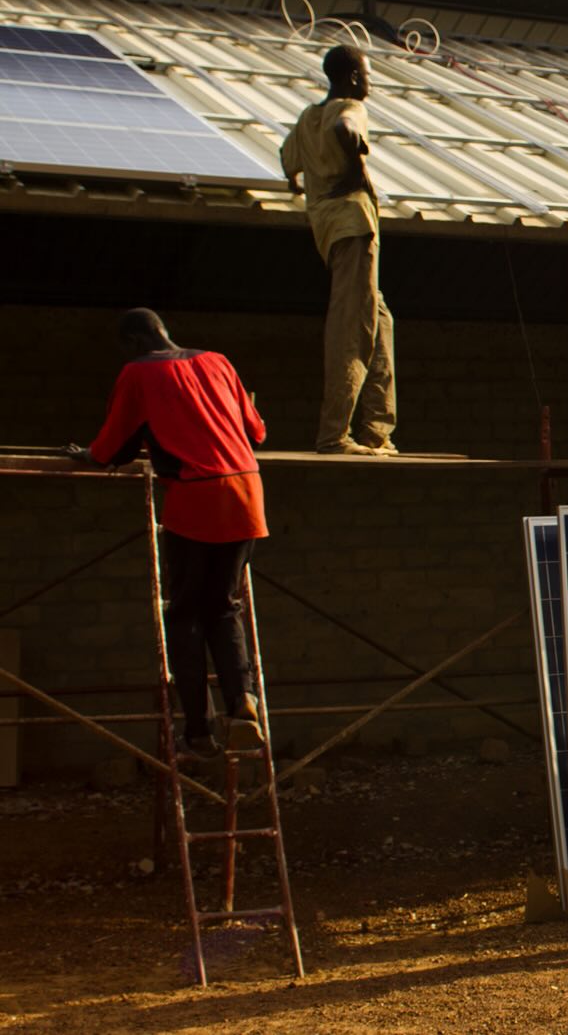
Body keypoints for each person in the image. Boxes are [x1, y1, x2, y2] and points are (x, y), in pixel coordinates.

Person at [65, 309, 269, 759]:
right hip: (247, 491)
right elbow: (256, 430)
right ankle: (243, 704)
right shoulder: (218, 360)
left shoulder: (138, 372)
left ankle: (198, 731)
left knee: (184, 615)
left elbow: (112, 446)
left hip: (197, 497)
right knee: (224, 606)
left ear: (136, 342)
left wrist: (86, 455)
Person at [280, 43, 396, 456]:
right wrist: (356, 154)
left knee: (379, 319)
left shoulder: (307, 118)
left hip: (329, 230)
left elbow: (286, 158)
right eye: (367, 77)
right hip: (354, 227)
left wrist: (298, 183)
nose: (368, 86)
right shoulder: (348, 107)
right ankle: (334, 435)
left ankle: (377, 432)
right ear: (351, 78)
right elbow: (345, 126)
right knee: (352, 326)